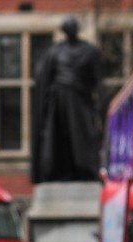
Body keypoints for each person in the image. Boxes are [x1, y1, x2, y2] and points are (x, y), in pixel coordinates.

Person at [31, 16, 102, 183]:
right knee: (59, 137)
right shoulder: (54, 52)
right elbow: (44, 79)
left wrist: (100, 103)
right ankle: (59, 170)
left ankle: (84, 169)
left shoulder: (89, 51)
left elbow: (97, 80)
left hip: (80, 100)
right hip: (59, 101)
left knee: (82, 136)